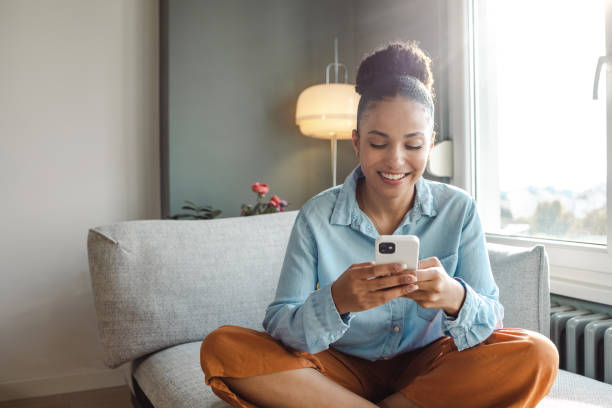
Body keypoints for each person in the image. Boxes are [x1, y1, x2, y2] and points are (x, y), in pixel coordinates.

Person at [200, 41, 559, 408]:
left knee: (538, 354)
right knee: (223, 347)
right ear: (357, 142)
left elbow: (491, 322)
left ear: (430, 144)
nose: (395, 161)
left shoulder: (459, 209)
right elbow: (280, 324)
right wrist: (337, 300)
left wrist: (454, 296)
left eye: (413, 145)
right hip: (338, 369)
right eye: (378, 143)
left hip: (429, 369)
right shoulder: (317, 216)